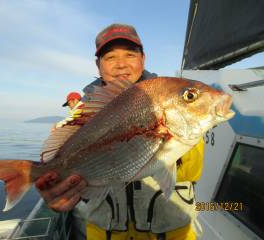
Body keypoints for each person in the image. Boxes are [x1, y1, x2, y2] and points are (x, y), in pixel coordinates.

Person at [36, 23, 204, 240]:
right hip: (105, 233)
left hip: (171, 232)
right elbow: (63, 171)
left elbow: (189, 169)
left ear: (143, 59)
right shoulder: (80, 118)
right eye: (110, 57)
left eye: (130, 54)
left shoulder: (171, 99)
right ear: (98, 65)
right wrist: (58, 195)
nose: (121, 65)